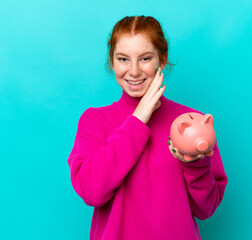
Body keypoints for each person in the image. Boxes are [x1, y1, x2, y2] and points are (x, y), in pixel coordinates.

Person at [67, 15, 228, 240]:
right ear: (111, 62)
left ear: (161, 60)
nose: (133, 71)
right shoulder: (94, 120)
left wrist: (195, 165)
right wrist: (137, 120)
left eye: (144, 58)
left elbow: (206, 208)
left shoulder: (191, 121)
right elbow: (92, 192)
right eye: (123, 59)